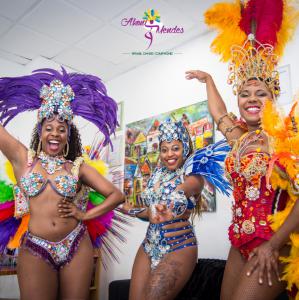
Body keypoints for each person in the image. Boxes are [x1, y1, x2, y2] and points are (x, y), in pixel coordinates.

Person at [185, 1, 299, 299]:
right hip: (238, 242)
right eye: (244, 94)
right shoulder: (240, 138)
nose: (252, 99)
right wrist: (208, 79)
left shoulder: (285, 140)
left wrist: (273, 246)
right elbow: (219, 113)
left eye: (261, 93)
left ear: (272, 98)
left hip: (273, 244)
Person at [0, 67, 125, 300]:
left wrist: (85, 215)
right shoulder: (22, 159)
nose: (55, 134)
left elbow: (117, 195)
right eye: (49, 128)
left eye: (61, 129)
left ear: (68, 135)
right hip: (35, 247)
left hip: (76, 244)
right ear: (40, 132)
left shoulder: (77, 167)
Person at [122, 119, 230, 300]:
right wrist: (132, 211)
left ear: (185, 148)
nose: (169, 154)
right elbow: (150, 213)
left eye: (175, 148)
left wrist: (175, 195)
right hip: (148, 245)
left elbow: (187, 188)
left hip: (179, 246)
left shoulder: (192, 175)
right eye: (164, 149)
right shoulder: (156, 173)